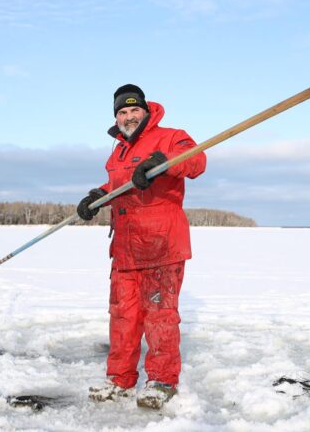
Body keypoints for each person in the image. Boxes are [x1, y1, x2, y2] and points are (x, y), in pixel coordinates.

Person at [77, 84, 206, 410]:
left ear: (146, 111)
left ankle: (162, 381)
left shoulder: (170, 136)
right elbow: (118, 186)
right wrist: (97, 196)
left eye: (134, 110)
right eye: (122, 111)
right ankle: (120, 380)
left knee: (159, 316)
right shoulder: (118, 150)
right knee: (123, 316)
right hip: (125, 247)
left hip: (161, 244)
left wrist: (164, 162)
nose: (129, 116)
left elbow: (196, 161)